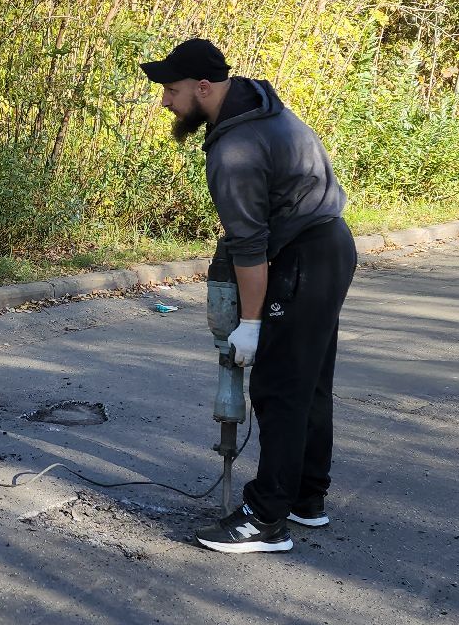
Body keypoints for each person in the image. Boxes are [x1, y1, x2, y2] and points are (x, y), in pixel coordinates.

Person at [141, 38, 354, 555]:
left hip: (301, 259)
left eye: (172, 90)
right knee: (309, 383)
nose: (165, 101)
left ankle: (264, 518)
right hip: (330, 246)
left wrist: (252, 323)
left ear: (205, 87)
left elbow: (250, 247)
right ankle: (307, 497)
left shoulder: (233, 148)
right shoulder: (263, 108)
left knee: (279, 389)